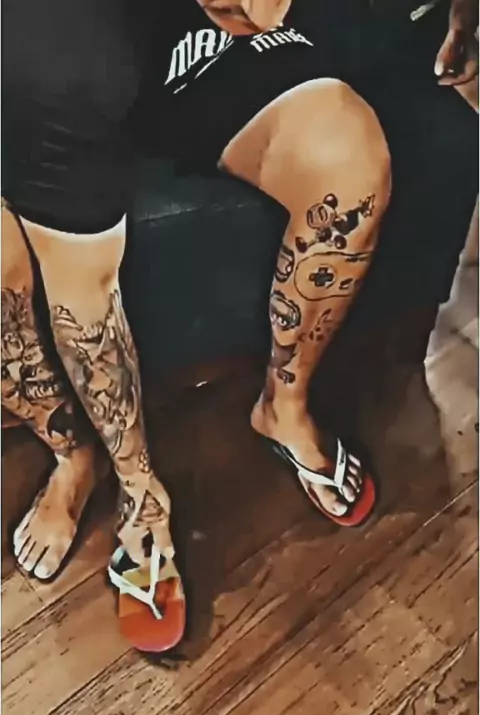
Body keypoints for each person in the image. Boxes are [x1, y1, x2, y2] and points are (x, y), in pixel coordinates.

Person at [2, 0, 477, 652]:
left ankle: (283, 410)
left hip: (193, 59)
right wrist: (139, 486)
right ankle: (87, 463)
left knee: (348, 164)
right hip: (62, 75)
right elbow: (84, 302)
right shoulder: (62, 54)